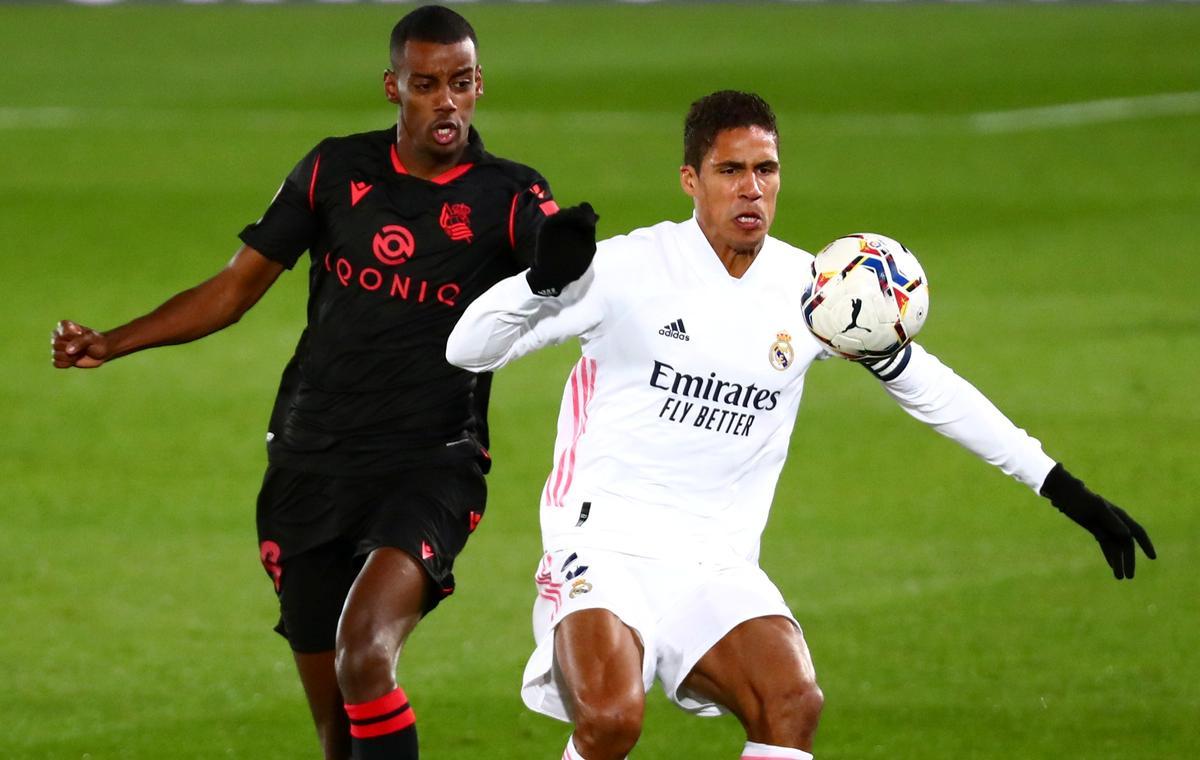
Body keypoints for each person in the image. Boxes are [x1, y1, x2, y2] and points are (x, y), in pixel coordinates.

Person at [444, 90, 1156, 760]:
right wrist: (540, 285)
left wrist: (1062, 488)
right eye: (730, 170)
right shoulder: (626, 269)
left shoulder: (818, 292)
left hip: (714, 559)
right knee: (609, 718)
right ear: (691, 180)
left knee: (791, 702)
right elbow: (467, 349)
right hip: (602, 542)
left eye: (766, 169)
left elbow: (932, 390)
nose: (751, 189)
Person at [51, 6, 562, 759]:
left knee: (365, 654)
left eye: (460, 83)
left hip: (428, 465)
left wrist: (567, 253)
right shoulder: (333, 170)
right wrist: (114, 341)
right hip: (309, 462)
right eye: (426, 84)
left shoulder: (508, 196)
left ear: (479, 84)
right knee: (338, 733)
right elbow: (234, 289)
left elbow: (566, 268)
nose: (446, 102)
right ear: (393, 87)